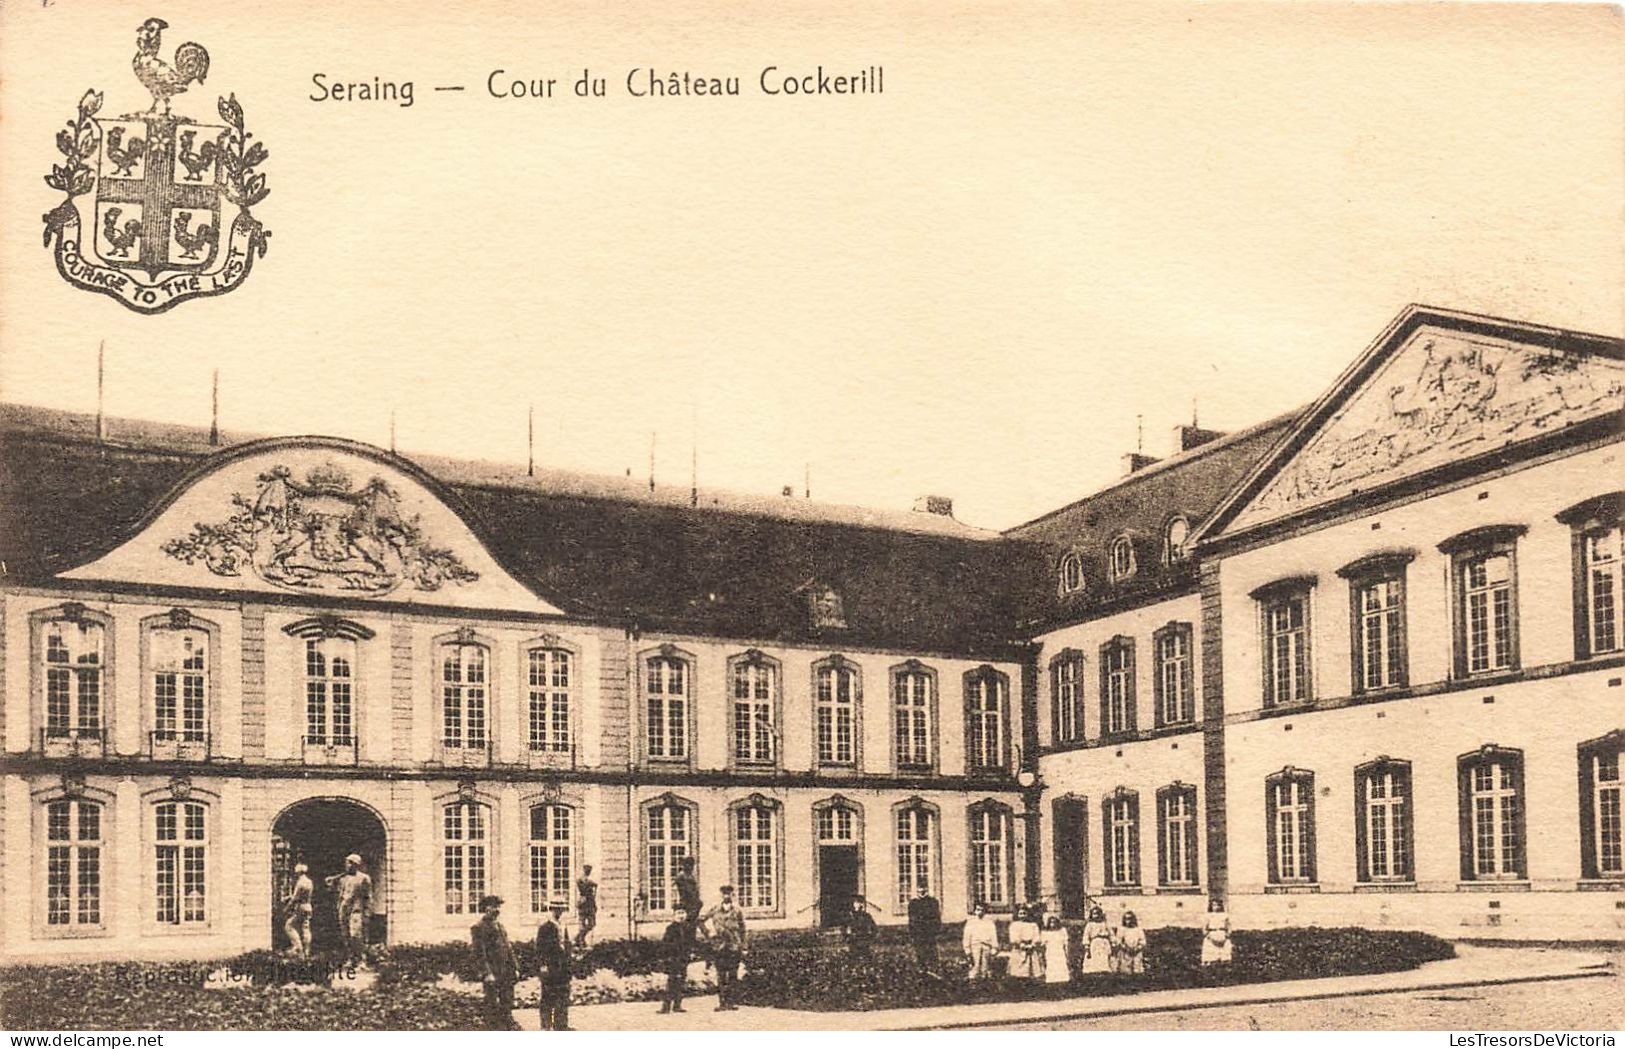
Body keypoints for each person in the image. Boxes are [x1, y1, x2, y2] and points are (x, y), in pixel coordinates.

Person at [471, 894, 519, 1030]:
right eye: (494, 907)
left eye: (498, 907)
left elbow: (508, 948)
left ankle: (507, 1028)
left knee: (507, 1002)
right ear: (486, 908)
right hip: (493, 973)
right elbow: (479, 953)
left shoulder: (500, 926)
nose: (497, 910)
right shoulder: (479, 927)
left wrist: (515, 967)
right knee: (492, 1005)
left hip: (506, 971)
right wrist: (487, 973)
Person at [702, 885, 747, 1011]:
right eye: (724, 894)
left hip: (734, 946)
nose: (727, 896)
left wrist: (744, 946)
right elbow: (700, 921)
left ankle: (731, 1002)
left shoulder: (737, 911)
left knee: (733, 975)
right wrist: (708, 933)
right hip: (719, 946)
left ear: (733, 895)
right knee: (721, 975)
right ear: (721, 895)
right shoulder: (715, 909)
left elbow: (743, 929)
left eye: (729, 894)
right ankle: (722, 1002)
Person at [325, 853, 373, 966]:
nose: (348, 865)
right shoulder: (343, 879)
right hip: (344, 908)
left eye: (351, 863)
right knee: (345, 935)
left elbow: (368, 896)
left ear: (356, 865)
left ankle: (362, 959)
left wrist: (367, 912)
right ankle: (351, 958)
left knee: (356, 934)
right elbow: (338, 892)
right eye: (347, 862)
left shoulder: (364, 878)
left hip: (357, 909)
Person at [535, 896, 573, 1030]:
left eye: (561, 908)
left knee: (563, 997)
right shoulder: (545, 926)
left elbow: (566, 944)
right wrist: (543, 965)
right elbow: (540, 948)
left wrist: (569, 961)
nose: (559, 911)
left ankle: (561, 1025)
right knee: (548, 997)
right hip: (550, 967)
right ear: (551, 909)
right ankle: (545, 1026)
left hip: (563, 967)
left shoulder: (563, 925)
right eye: (556, 908)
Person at [906, 884, 942, 971]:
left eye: (923, 890)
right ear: (917, 890)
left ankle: (933, 969)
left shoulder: (933, 902)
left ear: (927, 889)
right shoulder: (913, 903)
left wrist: (935, 930)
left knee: (931, 952)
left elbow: (936, 918)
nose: (921, 891)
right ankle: (922, 969)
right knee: (920, 952)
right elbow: (911, 919)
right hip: (918, 933)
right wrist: (912, 932)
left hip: (929, 933)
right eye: (919, 890)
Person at [282, 862, 314, 958]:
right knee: (306, 928)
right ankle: (307, 951)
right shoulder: (309, 882)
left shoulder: (300, 883)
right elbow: (302, 895)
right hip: (308, 906)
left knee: (289, 926)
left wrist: (287, 908)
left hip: (300, 907)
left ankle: (298, 947)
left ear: (298, 872)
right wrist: (289, 897)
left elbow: (295, 898)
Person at [658, 918, 690, 1014]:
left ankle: (677, 1005)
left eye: (683, 913)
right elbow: (665, 943)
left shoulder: (687, 928)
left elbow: (690, 942)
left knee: (681, 981)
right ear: (674, 915)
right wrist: (668, 955)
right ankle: (666, 1006)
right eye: (678, 913)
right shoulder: (670, 928)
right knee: (672, 981)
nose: (681, 916)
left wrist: (689, 953)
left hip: (683, 958)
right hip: (673, 958)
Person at [961, 902, 999, 980]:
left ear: (985, 911)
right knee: (975, 965)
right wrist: (967, 950)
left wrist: (994, 948)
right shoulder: (970, 923)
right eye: (978, 910)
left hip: (986, 946)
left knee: (985, 967)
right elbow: (966, 937)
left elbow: (993, 936)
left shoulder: (989, 923)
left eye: (982, 910)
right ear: (975, 911)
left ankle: (984, 982)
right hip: (974, 946)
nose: (980, 912)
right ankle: (973, 984)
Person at [1008, 904, 1043, 979]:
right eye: (1020, 913)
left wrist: (1032, 945)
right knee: (1018, 972)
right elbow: (1013, 937)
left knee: (1030, 971)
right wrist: (1021, 945)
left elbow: (1036, 937)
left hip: (1030, 950)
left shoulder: (1033, 925)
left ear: (1028, 914)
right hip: (1019, 950)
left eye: (1024, 913)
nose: (1022, 915)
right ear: (1017, 914)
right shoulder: (1014, 925)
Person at [1080, 906, 1113, 974]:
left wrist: (1113, 943)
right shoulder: (1090, 925)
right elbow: (1086, 936)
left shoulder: (1105, 924)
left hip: (1104, 943)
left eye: (1098, 913)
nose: (1096, 916)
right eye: (1094, 914)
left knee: (1104, 960)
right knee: (1095, 960)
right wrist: (1087, 946)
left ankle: (1104, 973)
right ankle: (1096, 974)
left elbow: (1111, 934)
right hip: (1095, 943)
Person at [674, 856, 701, 939]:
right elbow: (688, 891)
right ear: (685, 865)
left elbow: (694, 891)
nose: (691, 867)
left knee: (692, 927)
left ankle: (691, 943)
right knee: (686, 927)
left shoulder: (690, 876)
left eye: (692, 865)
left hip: (693, 905)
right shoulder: (682, 877)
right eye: (689, 865)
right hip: (687, 905)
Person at [1201, 897, 1234, 966]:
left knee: (1224, 957)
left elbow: (1229, 926)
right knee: (1211, 956)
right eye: (1214, 905)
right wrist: (1209, 936)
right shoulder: (1208, 916)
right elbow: (1204, 928)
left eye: (1218, 905)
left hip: (1222, 935)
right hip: (1211, 935)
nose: (1216, 907)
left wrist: (1227, 935)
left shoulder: (1225, 915)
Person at [1040, 914, 1071, 984]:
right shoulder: (1045, 933)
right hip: (1050, 952)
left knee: (1061, 966)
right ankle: (1052, 983)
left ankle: (1063, 983)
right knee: (1051, 967)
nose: (1052, 924)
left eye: (1054, 922)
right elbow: (1042, 946)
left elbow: (1066, 944)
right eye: (1051, 922)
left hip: (1059, 951)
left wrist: (1067, 953)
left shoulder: (1062, 931)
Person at [1113, 910, 1146, 975]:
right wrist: (1126, 948)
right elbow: (1118, 941)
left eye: (1130, 919)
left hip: (1136, 952)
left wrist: (1137, 948)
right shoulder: (1121, 929)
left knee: (1136, 968)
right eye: (1126, 919)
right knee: (1125, 969)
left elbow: (1143, 941)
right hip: (1125, 952)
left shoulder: (1138, 930)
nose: (1128, 921)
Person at [575, 864, 598, 948]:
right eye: (587, 871)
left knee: (592, 924)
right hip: (583, 904)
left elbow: (595, 885)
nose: (588, 872)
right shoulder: (581, 880)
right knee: (582, 924)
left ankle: (578, 938)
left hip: (590, 904)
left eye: (589, 871)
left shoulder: (589, 881)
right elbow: (583, 885)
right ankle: (580, 941)